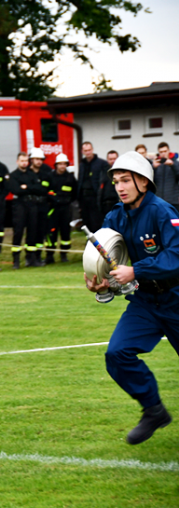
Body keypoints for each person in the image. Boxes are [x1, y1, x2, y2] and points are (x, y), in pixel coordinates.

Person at [85, 151, 178, 445]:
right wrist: (102, 285)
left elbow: (176, 255)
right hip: (144, 301)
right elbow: (109, 259)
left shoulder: (164, 212)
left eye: (126, 180)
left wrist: (135, 269)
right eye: (116, 182)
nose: (120, 187)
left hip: (176, 298)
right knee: (117, 354)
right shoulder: (114, 215)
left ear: (143, 182)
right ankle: (154, 410)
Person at [9, 152, 42, 268]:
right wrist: (29, 188)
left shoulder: (32, 174)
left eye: (25, 161)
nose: (24, 163)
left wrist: (26, 187)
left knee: (32, 231)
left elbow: (39, 188)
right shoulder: (13, 175)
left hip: (32, 205)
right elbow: (15, 190)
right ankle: (16, 260)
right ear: (17, 161)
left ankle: (31, 258)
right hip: (19, 206)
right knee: (18, 231)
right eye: (22, 161)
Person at [45, 154, 76, 264]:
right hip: (53, 209)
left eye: (64, 164)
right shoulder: (50, 176)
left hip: (66, 209)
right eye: (60, 164)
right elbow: (46, 190)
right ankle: (49, 256)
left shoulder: (70, 177)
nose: (62, 166)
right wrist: (54, 199)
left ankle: (64, 254)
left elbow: (74, 192)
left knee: (65, 232)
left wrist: (67, 201)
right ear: (56, 165)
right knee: (51, 232)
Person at [77, 141, 108, 232]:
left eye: (89, 150)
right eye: (85, 150)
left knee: (96, 222)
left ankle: (97, 242)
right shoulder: (82, 164)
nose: (87, 152)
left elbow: (104, 181)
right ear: (82, 151)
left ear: (92, 150)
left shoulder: (102, 163)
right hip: (84, 198)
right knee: (86, 222)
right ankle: (89, 241)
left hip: (95, 197)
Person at [29, 148, 52, 265]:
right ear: (32, 159)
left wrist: (33, 188)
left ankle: (38, 256)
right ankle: (29, 257)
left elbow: (46, 189)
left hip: (43, 205)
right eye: (37, 159)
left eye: (41, 159)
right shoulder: (27, 172)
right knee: (31, 231)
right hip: (30, 206)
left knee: (41, 232)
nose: (39, 161)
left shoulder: (47, 171)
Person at [152, 142, 179, 214]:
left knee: (174, 223)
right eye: (161, 152)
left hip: (173, 201)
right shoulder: (156, 165)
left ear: (169, 151)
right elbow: (151, 181)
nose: (163, 153)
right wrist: (153, 168)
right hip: (159, 201)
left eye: (165, 151)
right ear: (159, 153)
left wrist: (172, 165)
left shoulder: (175, 163)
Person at [99, 150, 120, 217]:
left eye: (114, 159)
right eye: (110, 159)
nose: (113, 161)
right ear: (107, 160)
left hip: (117, 203)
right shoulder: (103, 172)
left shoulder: (122, 172)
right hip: (106, 205)